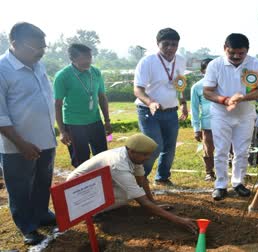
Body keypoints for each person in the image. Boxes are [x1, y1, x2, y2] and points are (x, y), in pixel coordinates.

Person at [66, 133, 197, 233]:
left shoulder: (133, 157)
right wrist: (179, 220)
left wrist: (154, 203)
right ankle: (92, 213)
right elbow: (143, 202)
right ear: (132, 151)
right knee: (127, 195)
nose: (148, 158)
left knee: (131, 190)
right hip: (77, 193)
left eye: (149, 155)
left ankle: (101, 206)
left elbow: (142, 180)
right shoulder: (118, 164)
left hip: (93, 185)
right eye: (145, 155)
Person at [0, 22, 57, 245]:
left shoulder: (37, 64)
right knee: (20, 187)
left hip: (45, 140)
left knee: (43, 182)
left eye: (44, 47)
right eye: (37, 48)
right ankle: (27, 226)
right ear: (15, 44)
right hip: (17, 146)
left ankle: (42, 213)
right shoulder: (3, 69)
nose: (42, 53)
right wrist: (21, 143)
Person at [203, 33, 258, 201]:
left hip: (245, 115)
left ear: (247, 51)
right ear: (225, 49)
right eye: (232, 53)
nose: (237, 56)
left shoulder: (256, 63)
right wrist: (225, 100)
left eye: (241, 53)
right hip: (221, 115)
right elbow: (207, 91)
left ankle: (238, 183)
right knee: (222, 150)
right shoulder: (215, 65)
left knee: (242, 151)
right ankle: (220, 185)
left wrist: (242, 98)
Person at [133, 28, 188, 186]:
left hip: (171, 111)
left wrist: (183, 103)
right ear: (158, 44)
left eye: (174, 44)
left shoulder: (181, 60)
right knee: (153, 147)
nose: (170, 48)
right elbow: (138, 89)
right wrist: (150, 102)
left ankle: (162, 178)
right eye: (166, 44)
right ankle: (139, 179)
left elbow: (180, 83)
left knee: (169, 148)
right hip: (148, 112)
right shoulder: (147, 61)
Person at [54, 43, 112, 167]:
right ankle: (83, 185)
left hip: (95, 121)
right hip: (74, 124)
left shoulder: (95, 72)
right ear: (73, 59)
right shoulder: (63, 76)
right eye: (84, 58)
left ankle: (103, 184)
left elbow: (102, 97)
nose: (88, 61)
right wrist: (62, 131)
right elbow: (58, 104)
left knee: (102, 158)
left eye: (90, 57)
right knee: (81, 161)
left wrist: (107, 121)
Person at [191, 58, 215, 181]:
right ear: (202, 71)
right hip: (207, 124)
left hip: (225, 122)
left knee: (231, 147)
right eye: (208, 70)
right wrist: (196, 128)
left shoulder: (223, 84)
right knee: (208, 148)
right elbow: (194, 109)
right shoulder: (197, 87)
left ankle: (234, 171)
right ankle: (209, 172)